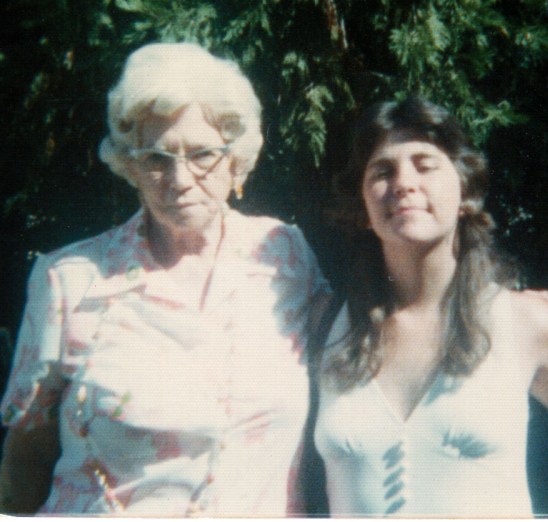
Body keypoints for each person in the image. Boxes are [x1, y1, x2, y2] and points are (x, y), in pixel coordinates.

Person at [0, 42, 329, 517]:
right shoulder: (71, 281)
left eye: (202, 154)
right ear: (131, 166)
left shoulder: (284, 256)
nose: (179, 179)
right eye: (156, 158)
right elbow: (25, 459)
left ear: (235, 159)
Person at [308, 96, 548, 517]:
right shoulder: (325, 326)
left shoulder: (522, 321)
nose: (403, 183)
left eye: (425, 165)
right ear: (362, 206)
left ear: (465, 191)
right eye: (382, 172)